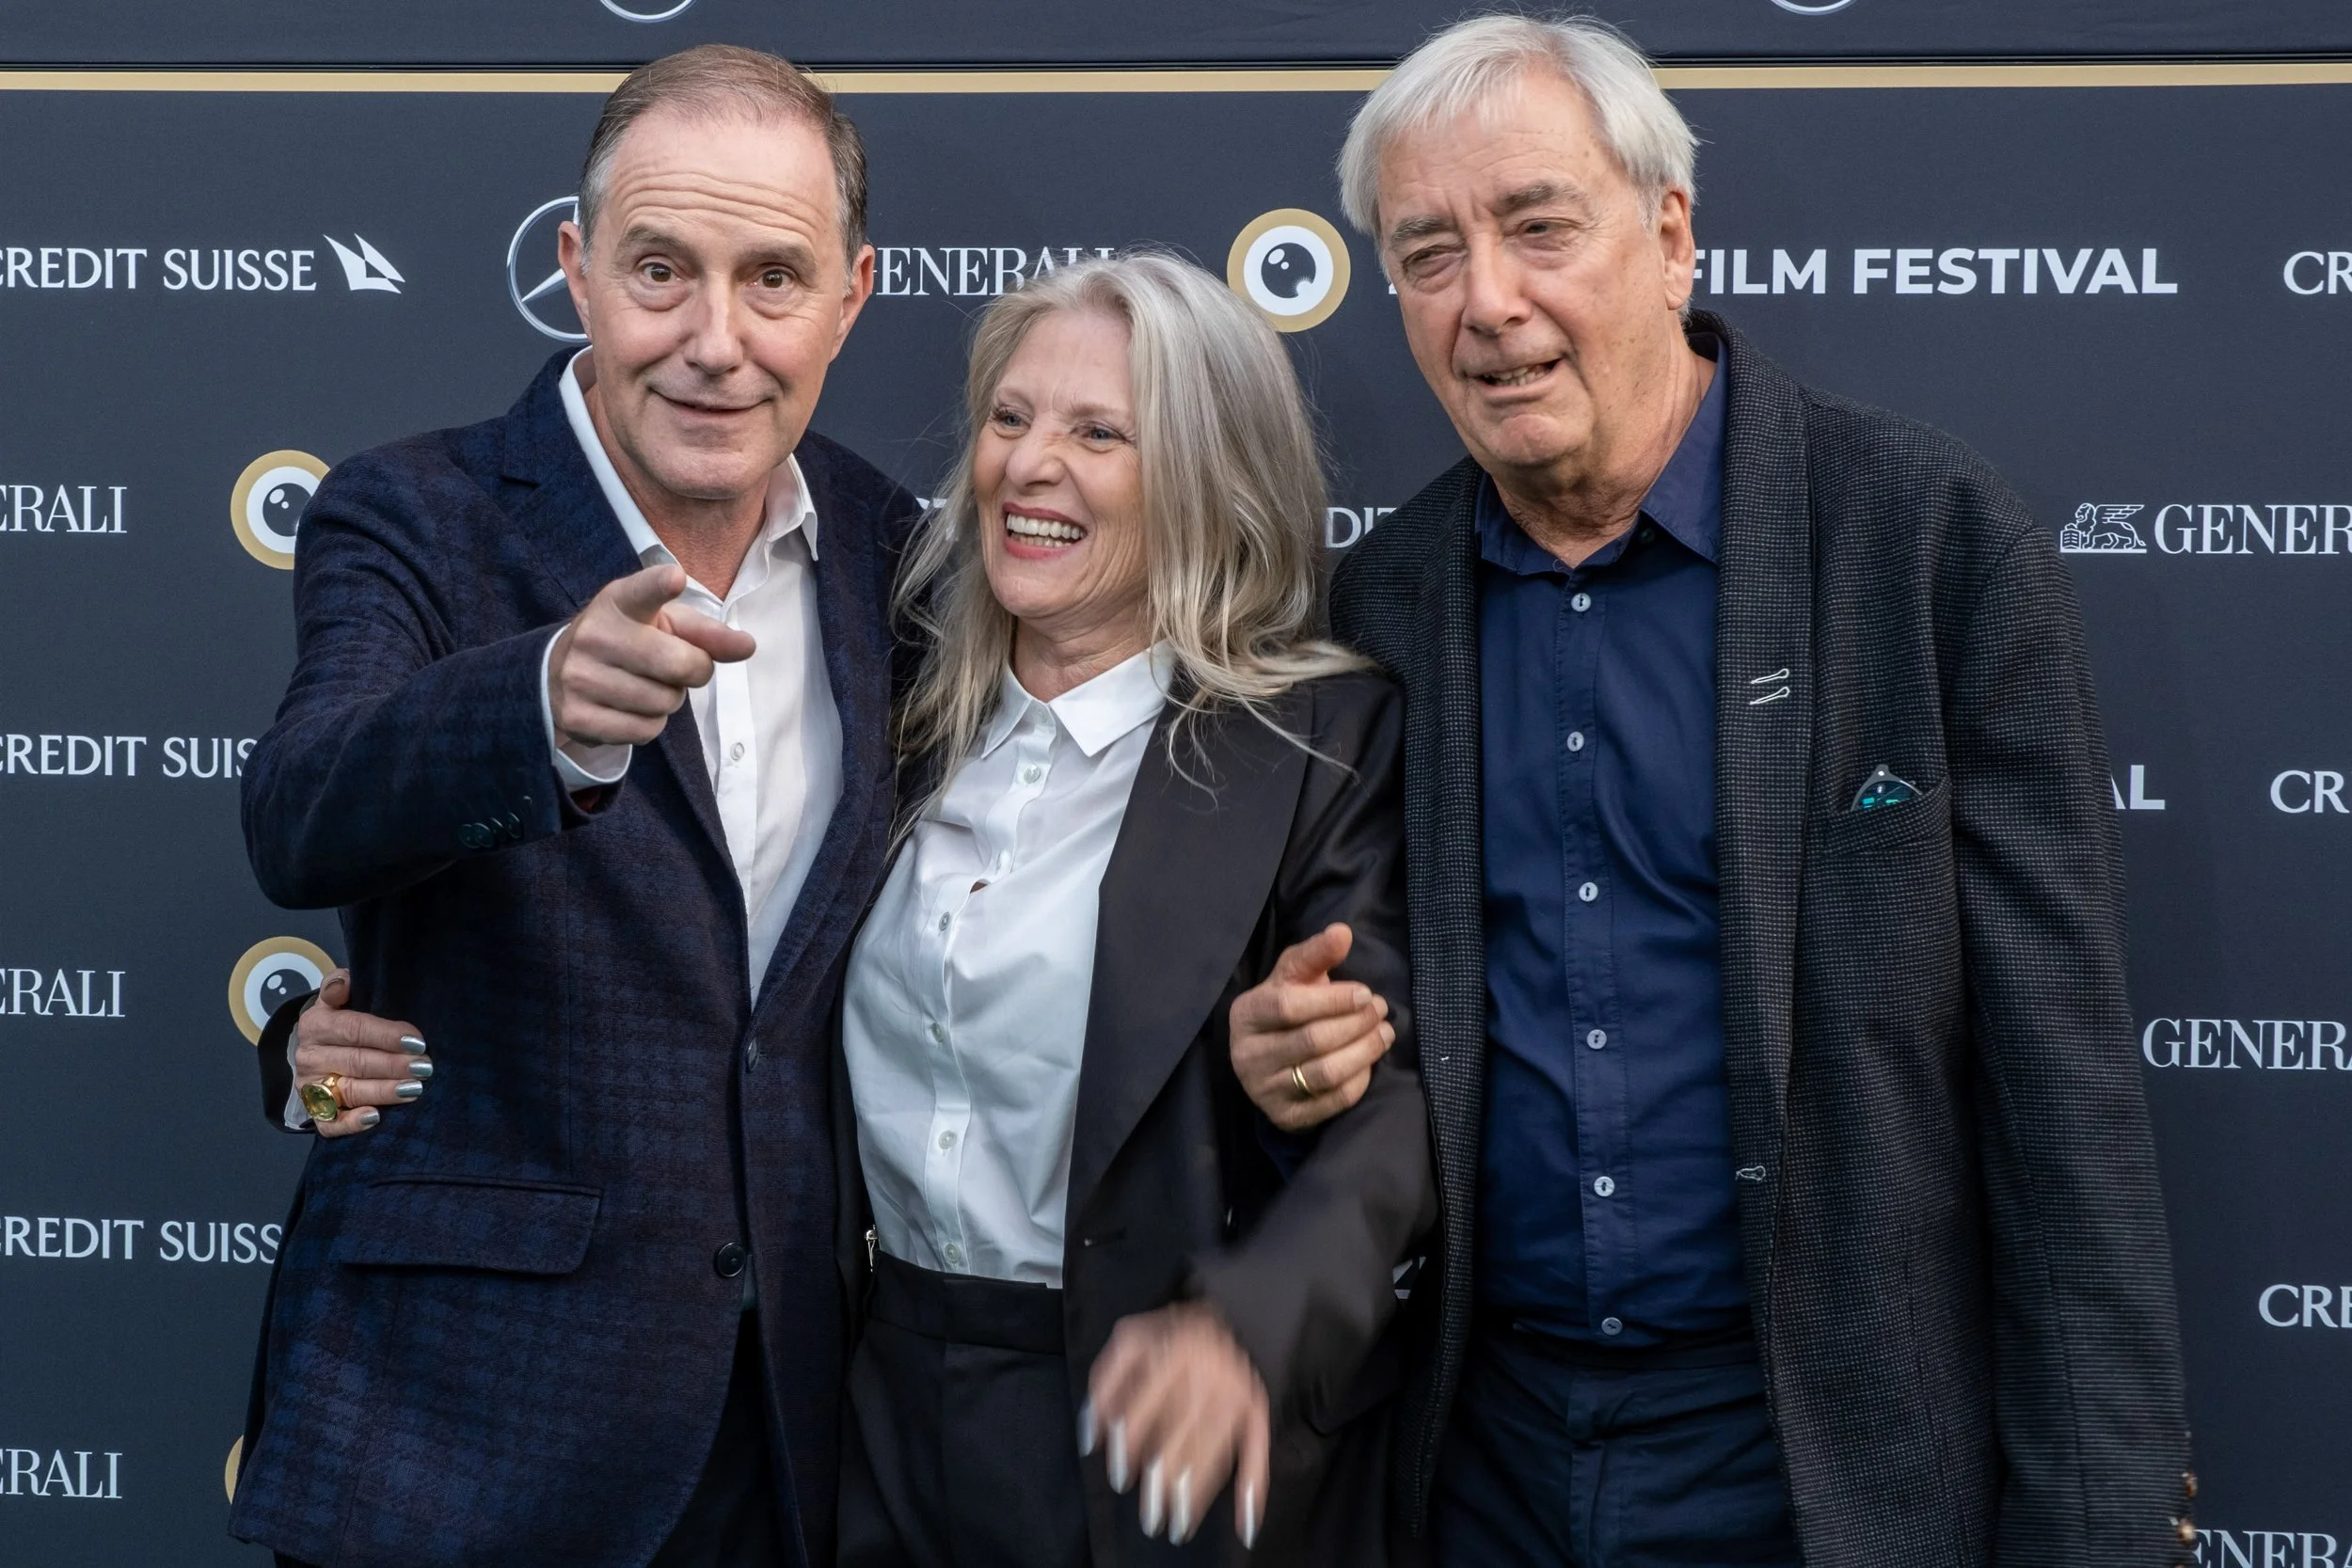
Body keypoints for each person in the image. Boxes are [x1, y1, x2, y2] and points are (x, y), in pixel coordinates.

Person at [1227, 14, 2197, 1567]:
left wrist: (2101, 1518)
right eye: (1428, 253)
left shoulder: (1930, 546)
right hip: (1475, 1466)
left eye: (1539, 226)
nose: (1489, 301)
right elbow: (1376, 1075)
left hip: (1826, 1472)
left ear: (1671, 236)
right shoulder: (1378, 610)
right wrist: (1285, 1070)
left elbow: (2060, 1094)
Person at [234, 45, 910, 1568]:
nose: (716, 342)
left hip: (782, 1431)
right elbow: (299, 807)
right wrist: (533, 709)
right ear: (575, 270)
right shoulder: (413, 513)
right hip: (458, 1436)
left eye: (775, 279)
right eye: (661, 270)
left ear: (852, 297)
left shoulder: (893, 548)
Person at [832, 252, 1433, 1566]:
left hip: (1156, 1431)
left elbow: (1398, 1114)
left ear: (1210, 484)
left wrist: (1252, 1323)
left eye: (1100, 431)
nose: (1029, 465)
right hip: (877, 1415)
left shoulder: (1319, 744)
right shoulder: (896, 717)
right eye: (1010, 418)